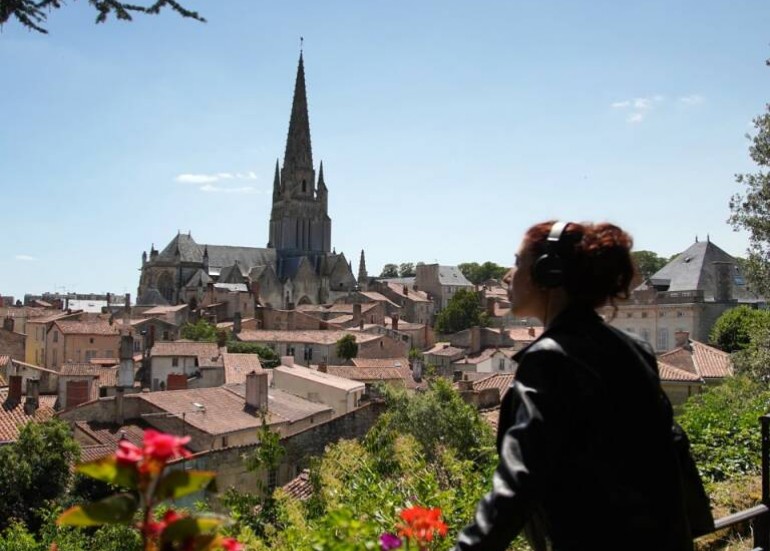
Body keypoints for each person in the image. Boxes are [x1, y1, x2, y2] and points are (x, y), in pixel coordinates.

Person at [453, 221, 705, 551]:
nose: (506, 276)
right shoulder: (633, 348)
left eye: (517, 263)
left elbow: (519, 483)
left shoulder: (550, 359)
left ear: (548, 273)